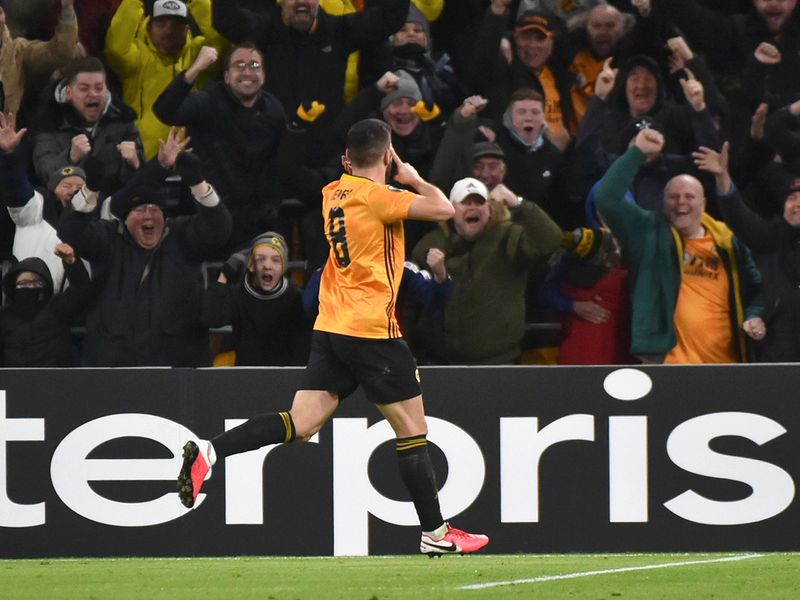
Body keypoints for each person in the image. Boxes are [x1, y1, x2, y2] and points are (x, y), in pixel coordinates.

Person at [177, 118, 490, 556]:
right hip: (372, 330)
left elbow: (361, 182)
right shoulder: (381, 197)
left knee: (301, 423)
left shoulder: (332, 194)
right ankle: (436, 534)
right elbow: (443, 210)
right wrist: (413, 177)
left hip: (331, 328)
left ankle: (210, 452)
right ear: (386, 156)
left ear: (346, 160)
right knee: (412, 429)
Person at [56, 128, 233, 367]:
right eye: (140, 210)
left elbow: (219, 228)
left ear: (165, 216)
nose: (148, 216)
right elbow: (70, 231)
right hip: (112, 368)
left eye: (155, 210)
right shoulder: (108, 238)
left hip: (176, 370)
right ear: (125, 220)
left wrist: (198, 183)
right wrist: (90, 189)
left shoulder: (182, 235)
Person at [593, 127, 765, 363]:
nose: (681, 202)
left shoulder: (727, 241)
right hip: (667, 366)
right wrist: (638, 152)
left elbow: (757, 289)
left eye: (689, 196)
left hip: (725, 366)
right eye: (673, 197)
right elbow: (605, 197)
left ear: (704, 203)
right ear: (663, 203)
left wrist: (754, 315)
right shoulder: (647, 231)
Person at [410, 176, 564, 364]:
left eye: (479, 202)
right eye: (465, 202)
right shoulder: (430, 245)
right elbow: (412, 304)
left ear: (489, 209)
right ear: (451, 209)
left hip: (499, 361)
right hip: (440, 363)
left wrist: (519, 205)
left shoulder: (508, 236)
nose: (473, 207)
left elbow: (550, 241)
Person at [153, 42, 286, 251]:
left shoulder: (274, 110)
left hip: (253, 222)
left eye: (254, 65)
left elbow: (279, 164)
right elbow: (165, 111)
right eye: (239, 65)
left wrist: (272, 207)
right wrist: (195, 68)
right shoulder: (208, 100)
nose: (247, 72)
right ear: (226, 76)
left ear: (264, 75)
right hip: (205, 216)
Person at [694, 142, 800, 360]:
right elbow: (740, 217)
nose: (797, 204)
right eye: (791, 198)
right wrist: (723, 177)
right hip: (778, 351)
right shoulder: (770, 238)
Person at [104, 0, 228, 159]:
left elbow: (219, 42)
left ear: (187, 30)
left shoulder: (197, 54)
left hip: (190, 160)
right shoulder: (138, 56)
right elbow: (116, 49)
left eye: (176, 25)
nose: (169, 30)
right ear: (149, 27)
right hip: (143, 160)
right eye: (161, 24)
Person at [0, 111, 90, 291]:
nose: (73, 190)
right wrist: (10, 154)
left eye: (79, 188)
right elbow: (17, 190)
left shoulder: (95, 224)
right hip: (26, 298)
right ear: (53, 190)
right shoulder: (36, 210)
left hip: (71, 305)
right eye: (66, 185)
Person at [32, 56, 144, 199]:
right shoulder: (50, 122)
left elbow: (139, 182)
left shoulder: (123, 121)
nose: (93, 94)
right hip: (66, 211)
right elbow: (44, 173)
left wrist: (134, 163)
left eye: (99, 87)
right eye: (84, 88)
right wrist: (70, 157)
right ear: (69, 92)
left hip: (113, 209)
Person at [206, 231, 310, 366]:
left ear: (283, 267)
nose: (268, 265)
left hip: (283, 376)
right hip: (246, 376)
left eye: (275, 260)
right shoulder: (239, 294)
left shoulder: (294, 297)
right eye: (261, 259)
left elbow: (301, 347)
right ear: (251, 265)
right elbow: (212, 319)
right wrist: (224, 275)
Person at [0, 245, 91, 367]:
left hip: (55, 381)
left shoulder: (58, 308)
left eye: (38, 282)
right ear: (13, 287)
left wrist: (71, 263)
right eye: (24, 283)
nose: (31, 287)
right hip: (14, 381)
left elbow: (81, 289)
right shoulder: (4, 318)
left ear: (47, 286)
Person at [0, 0, 80, 118]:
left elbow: (60, 54)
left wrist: (67, 10)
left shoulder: (17, 51)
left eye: (0, 13)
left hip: (9, 132)